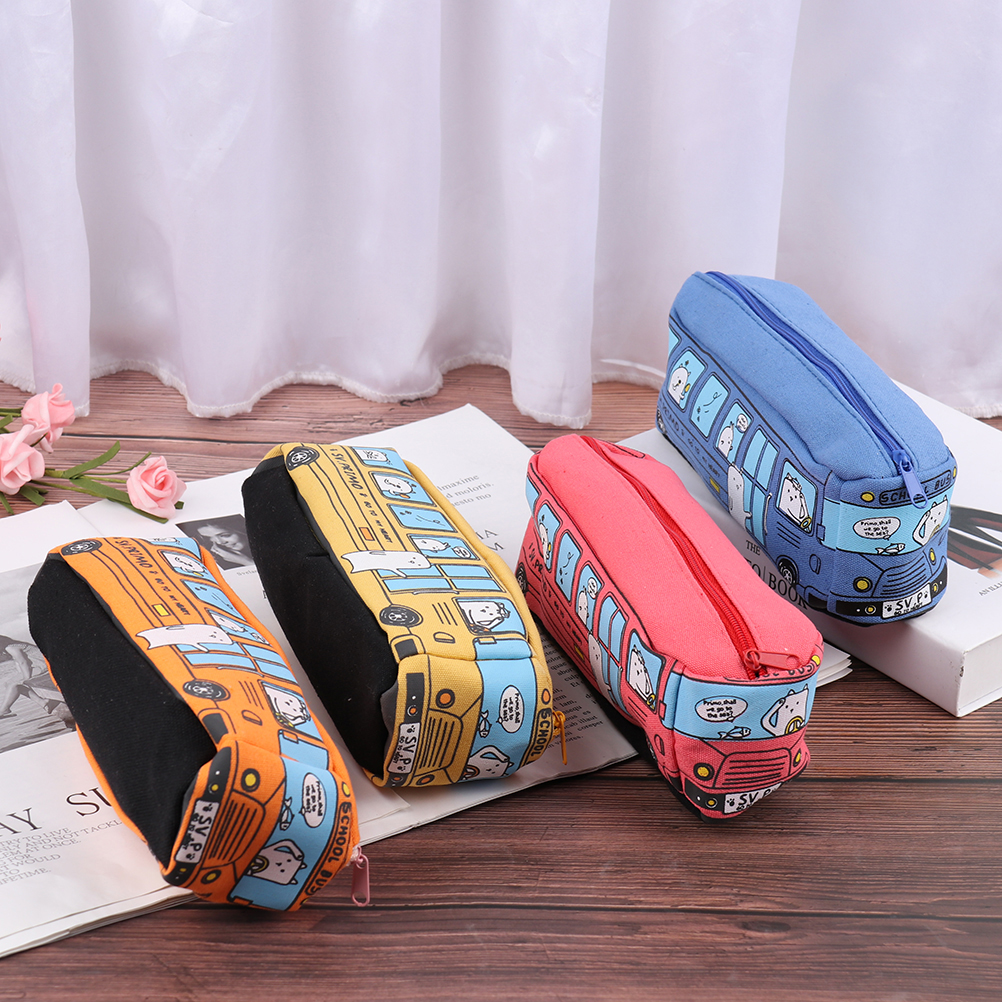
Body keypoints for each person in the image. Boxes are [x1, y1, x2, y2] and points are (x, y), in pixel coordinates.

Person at [0, 636, 73, 725]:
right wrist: (23, 679)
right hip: (41, 665)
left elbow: (23, 663)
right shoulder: (12, 647)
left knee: (13, 684)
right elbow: (20, 665)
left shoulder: (11, 647)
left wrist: (27, 679)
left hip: (43, 666)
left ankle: (4, 710)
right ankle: (42, 702)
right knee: (10, 684)